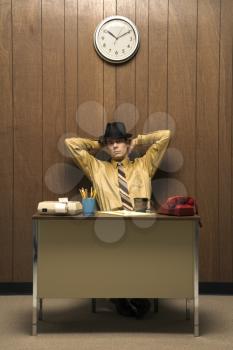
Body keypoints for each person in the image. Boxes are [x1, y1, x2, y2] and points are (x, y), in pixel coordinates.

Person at [65, 121, 171, 318]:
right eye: (110, 142)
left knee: (146, 251)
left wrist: (137, 141)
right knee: (115, 249)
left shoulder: (145, 164)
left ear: (127, 143)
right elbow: (71, 143)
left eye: (119, 141)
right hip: (111, 230)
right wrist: (99, 143)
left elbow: (166, 135)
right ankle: (122, 294)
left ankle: (131, 294)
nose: (114, 146)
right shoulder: (97, 168)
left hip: (142, 228)